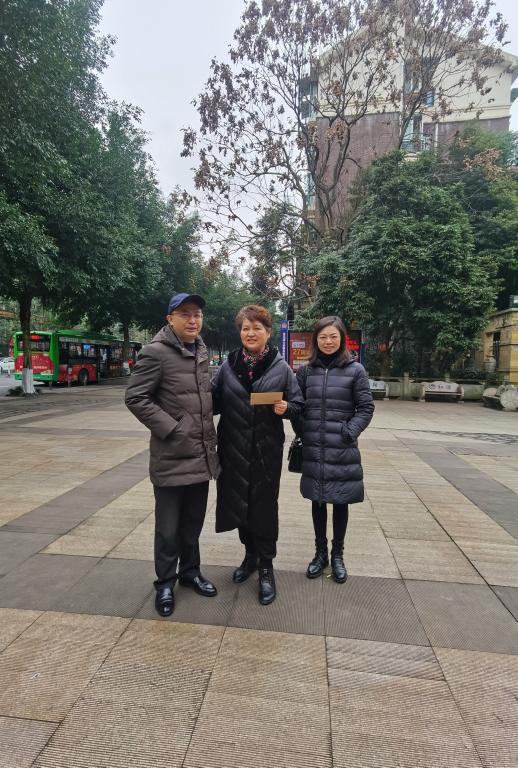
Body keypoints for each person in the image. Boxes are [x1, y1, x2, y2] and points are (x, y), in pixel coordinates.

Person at [125, 292, 220, 617]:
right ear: (170, 319)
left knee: (192, 524)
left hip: (201, 455)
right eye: (185, 314)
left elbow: (202, 397)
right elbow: (136, 397)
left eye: (197, 314)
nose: (193, 320)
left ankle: (190, 572)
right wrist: (172, 428)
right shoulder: (155, 352)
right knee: (168, 528)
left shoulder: (201, 350)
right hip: (171, 456)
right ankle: (165, 582)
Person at [212, 305, 303, 605]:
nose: (250, 333)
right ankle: (249, 555)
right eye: (245, 328)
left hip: (266, 451)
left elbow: (299, 405)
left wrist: (287, 408)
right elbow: (213, 400)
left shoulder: (281, 367)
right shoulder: (228, 366)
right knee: (239, 504)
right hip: (233, 449)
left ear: (268, 332)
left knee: (264, 508)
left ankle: (266, 566)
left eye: (257, 328)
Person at [296, 316, 374, 583]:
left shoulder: (355, 370)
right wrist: (302, 429)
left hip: (342, 449)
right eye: (322, 337)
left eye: (333, 336)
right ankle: (320, 554)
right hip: (315, 449)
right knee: (317, 500)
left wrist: (348, 432)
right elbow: (297, 406)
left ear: (342, 339)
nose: (328, 341)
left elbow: (366, 408)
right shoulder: (306, 372)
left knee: (341, 501)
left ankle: (337, 555)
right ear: (315, 340)